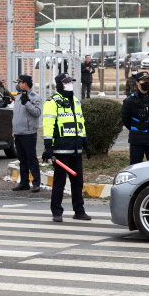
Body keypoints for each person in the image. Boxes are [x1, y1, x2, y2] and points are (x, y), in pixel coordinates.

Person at [42, 73, 92, 223]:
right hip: (61, 150)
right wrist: (48, 146)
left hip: (76, 149)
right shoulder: (52, 102)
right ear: (60, 85)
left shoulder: (76, 101)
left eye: (71, 82)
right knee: (59, 182)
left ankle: (79, 211)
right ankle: (56, 212)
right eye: (67, 82)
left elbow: (80, 123)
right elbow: (48, 125)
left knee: (78, 182)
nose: (70, 84)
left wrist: (85, 142)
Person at [121, 71, 149, 165]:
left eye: (148, 80)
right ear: (137, 83)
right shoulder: (130, 101)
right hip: (137, 140)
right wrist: (137, 128)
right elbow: (126, 119)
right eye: (144, 81)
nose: (147, 83)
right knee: (136, 167)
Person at [11, 75, 42, 193]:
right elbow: (16, 115)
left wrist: (27, 103)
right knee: (22, 159)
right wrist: (14, 130)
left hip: (28, 133)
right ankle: (24, 183)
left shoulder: (34, 97)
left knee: (31, 159)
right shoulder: (18, 97)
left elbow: (37, 112)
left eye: (20, 83)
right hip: (18, 132)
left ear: (26, 83)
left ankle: (36, 183)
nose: (18, 85)